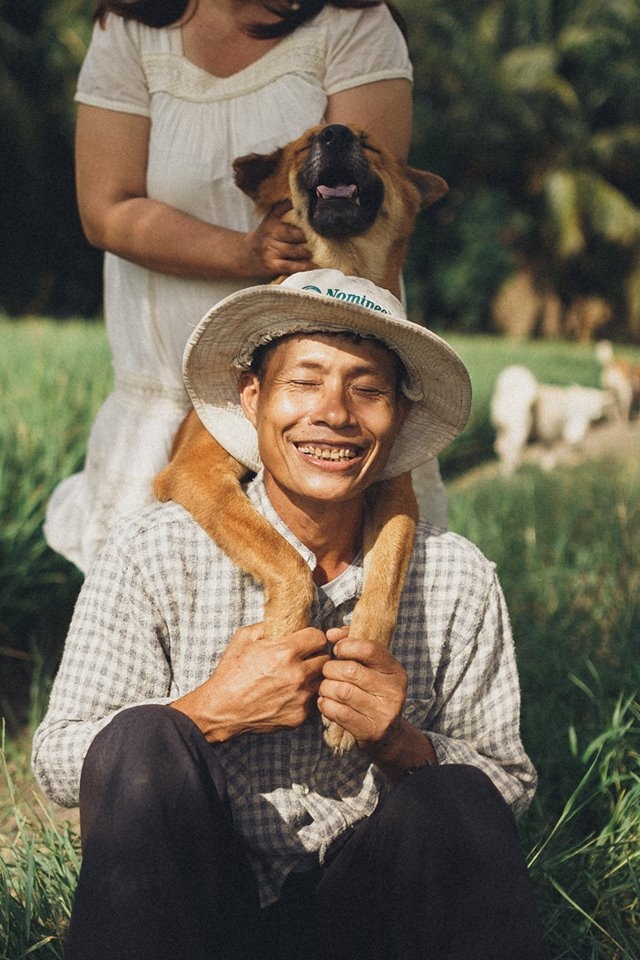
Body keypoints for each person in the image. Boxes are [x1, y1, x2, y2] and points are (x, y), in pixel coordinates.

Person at [33, 269, 546, 960]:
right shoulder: (154, 550)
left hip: (369, 912)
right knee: (145, 737)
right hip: (196, 911)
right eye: (304, 381)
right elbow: (60, 759)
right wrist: (211, 709)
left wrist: (400, 742)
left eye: (367, 389)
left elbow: (505, 792)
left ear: (397, 418)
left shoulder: (458, 577)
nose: (334, 412)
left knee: (455, 794)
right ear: (252, 397)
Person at [44, 0, 447, 575]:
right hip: (167, 388)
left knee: (341, 593)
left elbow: (371, 202)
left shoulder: (356, 22)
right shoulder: (130, 32)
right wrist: (244, 253)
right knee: (163, 605)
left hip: (325, 383)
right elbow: (105, 209)